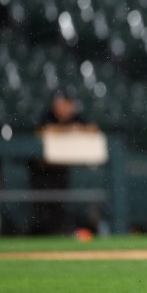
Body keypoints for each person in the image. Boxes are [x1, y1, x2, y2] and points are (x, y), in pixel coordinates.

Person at [28, 89, 99, 235]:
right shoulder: (47, 114)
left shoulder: (75, 117)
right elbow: (44, 131)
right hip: (41, 171)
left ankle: (59, 233)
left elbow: (93, 129)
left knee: (59, 207)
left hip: (61, 170)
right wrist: (69, 130)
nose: (68, 107)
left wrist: (77, 129)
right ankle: (42, 236)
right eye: (64, 104)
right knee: (42, 209)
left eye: (69, 104)